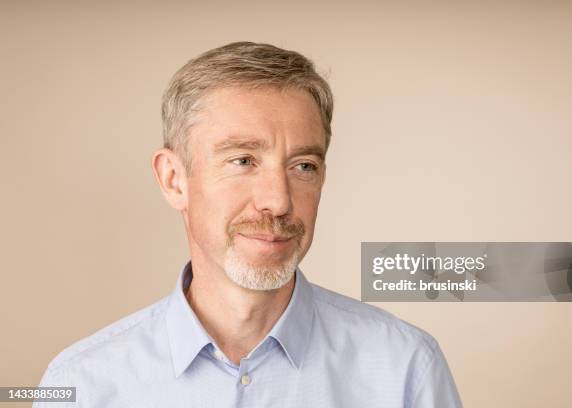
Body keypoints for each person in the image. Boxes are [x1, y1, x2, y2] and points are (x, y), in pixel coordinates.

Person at [35, 41, 463, 407]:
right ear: (173, 179)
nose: (278, 201)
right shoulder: (81, 384)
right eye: (242, 160)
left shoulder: (406, 368)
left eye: (303, 165)